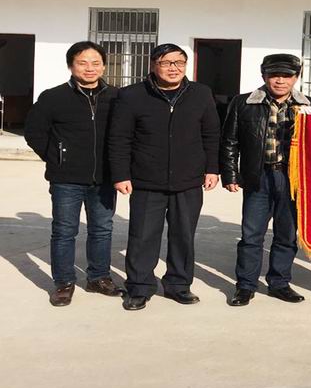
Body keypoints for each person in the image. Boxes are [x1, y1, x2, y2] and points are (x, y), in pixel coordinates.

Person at [108, 43, 220, 311]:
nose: (173, 68)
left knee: (183, 236)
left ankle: (178, 285)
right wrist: (121, 174)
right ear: (153, 65)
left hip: (188, 180)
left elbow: (211, 134)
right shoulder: (132, 95)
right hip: (146, 180)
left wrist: (212, 169)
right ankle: (139, 287)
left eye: (179, 62)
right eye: (166, 62)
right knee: (142, 236)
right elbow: (119, 138)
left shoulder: (200, 93)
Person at [24, 41, 123, 306]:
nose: (90, 68)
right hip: (65, 179)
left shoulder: (117, 98)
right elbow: (34, 132)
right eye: (82, 62)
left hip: (104, 178)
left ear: (104, 66)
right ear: (71, 65)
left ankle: (98, 278)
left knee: (102, 230)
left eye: (96, 63)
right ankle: (64, 283)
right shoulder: (53, 97)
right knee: (64, 231)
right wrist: (57, 157)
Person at [220, 54, 311, 307]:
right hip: (258, 176)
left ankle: (279, 283)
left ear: (296, 77)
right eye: (274, 75)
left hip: (293, 179)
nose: (280, 81)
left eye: (287, 76)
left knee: (286, 234)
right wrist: (230, 174)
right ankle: (245, 285)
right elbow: (230, 141)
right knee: (251, 235)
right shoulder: (244, 103)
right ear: (264, 76)